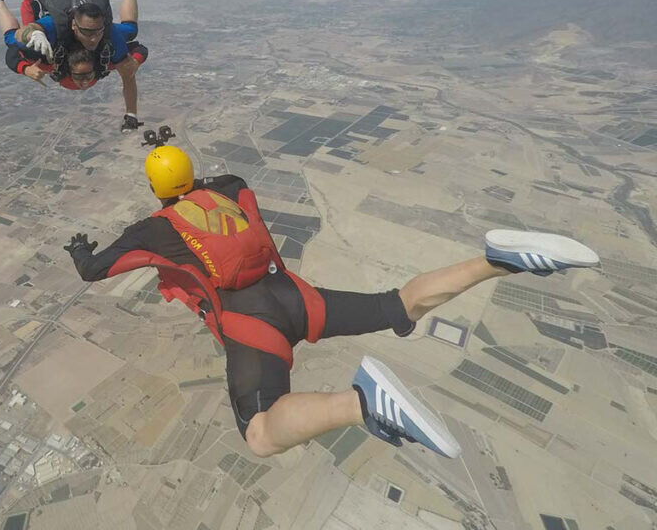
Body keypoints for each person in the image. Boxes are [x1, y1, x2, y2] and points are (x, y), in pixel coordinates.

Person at [63, 141, 601, 459]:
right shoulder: (231, 187)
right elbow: (221, 178)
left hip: (251, 323)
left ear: (157, 190)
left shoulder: (154, 228)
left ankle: (361, 403)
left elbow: (94, 270)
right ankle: (498, 260)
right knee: (397, 305)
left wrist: (80, 249)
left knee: (260, 433)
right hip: (298, 297)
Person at [0, 0, 151, 132]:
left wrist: (131, 112)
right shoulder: (57, 27)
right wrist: (32, 39)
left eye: (97, 32)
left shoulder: (109, 38)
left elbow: (133, 61)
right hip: (52, 32)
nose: (93, 38)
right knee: (13, 40)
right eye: (87, 32)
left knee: (130, 31)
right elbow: (18, 42)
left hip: (82, 34)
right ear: (74, 25)